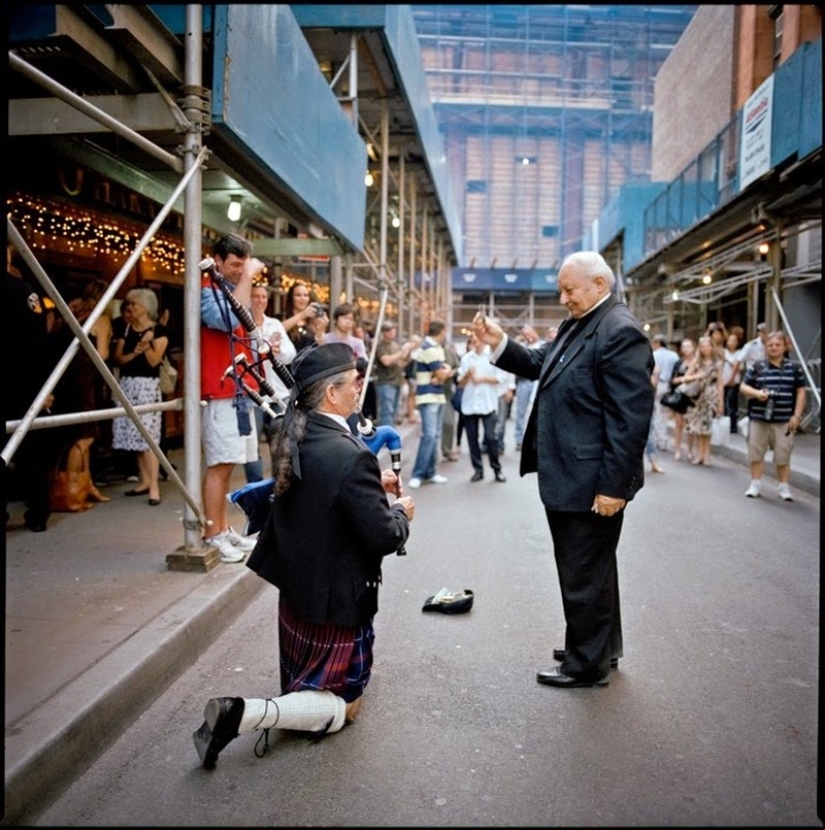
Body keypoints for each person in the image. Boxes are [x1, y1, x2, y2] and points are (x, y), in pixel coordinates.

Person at [192, 343, 415, 769]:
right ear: (332, 393)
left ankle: (288, 703)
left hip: (297, 595)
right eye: (352, 384)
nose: (358, 390)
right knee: (347, 705)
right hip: (335, 604)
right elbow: (385, 536)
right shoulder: (351, 455)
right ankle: (246, 713)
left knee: (308, 687)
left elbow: (321, 493)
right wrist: (400, 512)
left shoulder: (290, 430)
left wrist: (368, 486)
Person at [473, 251, 654, 688]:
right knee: (594, 569)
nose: (563, 297)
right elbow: (539, 362)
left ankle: (585, 665)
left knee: (582, 573)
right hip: (576, 476)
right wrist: (498, 341)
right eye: (562, 288)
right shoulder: (585, 321)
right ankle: (597, 645)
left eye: (569, 289)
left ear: (598, 283)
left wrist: (614, 487)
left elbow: (630, 423)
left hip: (591, 482)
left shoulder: (618, 331)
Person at [200, 233, 266, 562]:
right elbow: (227, 319)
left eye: (244, 265)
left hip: (238, 389)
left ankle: (222, 529)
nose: (241, 271)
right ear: (219, 261)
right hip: (220, 390)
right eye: (236, 264)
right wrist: (249, 277)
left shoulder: (223, 289)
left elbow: (244, 328)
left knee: (229, 463)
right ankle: (213, 533)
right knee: (220, 463)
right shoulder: (207, 291)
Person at [3, 242, 59, 532]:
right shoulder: (27, 292)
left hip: (14, 380)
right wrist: (44, 385)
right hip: (27, 380)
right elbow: (40, 343)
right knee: (32, 449)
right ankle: (38, 513)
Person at [51, 279, 113, 503]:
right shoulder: (101, 319)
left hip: (67, 381)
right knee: (85, 438)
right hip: (87, 382)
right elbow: (102, 354)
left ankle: (87, 485)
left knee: (78, 434)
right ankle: (71, 487)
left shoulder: (75, 315)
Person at [111, 287, 168, 506]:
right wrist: (134, 352)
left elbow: (154, 361)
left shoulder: (159, 331)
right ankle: (144, 480)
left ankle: (154, 485)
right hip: (128, 383)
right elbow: (118, 359)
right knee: (134, 433)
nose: (129, 308)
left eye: (133, 304)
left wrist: (145, 346)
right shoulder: (126, 328)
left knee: (148, 435)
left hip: (148, 385)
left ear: (144, 306)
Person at [739, 330, 807, 501]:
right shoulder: (757, 367)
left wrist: (797, 416)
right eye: (770, 345)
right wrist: (757, 393)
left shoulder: (794, 368)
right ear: (765, 347)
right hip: (759, 419)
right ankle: (755, 484)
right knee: (755, 453)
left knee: (783, 455)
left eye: (778, 345)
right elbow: (743, 387)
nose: (774, 348)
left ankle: (784, 487)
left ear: (784, 347)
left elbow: (801, 392)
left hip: (784, 420)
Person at [243, 279, 297, 483]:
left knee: (282, 443)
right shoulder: (241, 325)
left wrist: (276, 351)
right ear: (249, 299)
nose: (260, 300)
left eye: (264, 297)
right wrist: (261, 351)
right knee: (251, 444)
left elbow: (290, 354)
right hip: (253, 394)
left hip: (278, 392)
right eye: (256, 296)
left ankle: (280, 483)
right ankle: (255, 486)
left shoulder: (274, 324)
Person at [408, 319, 453, 489]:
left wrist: (442, 372)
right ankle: (418, 473)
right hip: (428, 396)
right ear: (441, 331)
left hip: (436, 396)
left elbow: (443, 370)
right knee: (429, 436)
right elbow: (442, 374)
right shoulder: (429, 348)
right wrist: (442, 373)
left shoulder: (434, 348)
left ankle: (430, 472)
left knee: (434, 436)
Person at [456, 332, 506, 482]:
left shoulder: (492, 356)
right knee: (472, 439)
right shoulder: (466, 358)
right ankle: (478, 469)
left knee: (491, 438)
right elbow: (460, 383)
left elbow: (501, 378)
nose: (475, 342)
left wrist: (482, 379)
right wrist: (467, 375)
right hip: (470, 404)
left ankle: (497, 469)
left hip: (488, 403)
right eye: (472, 340)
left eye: (477, 340)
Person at [683, 335, 723, 466]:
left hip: (711, 397)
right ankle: (700, 454)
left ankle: (707, 455)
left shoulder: (718, 363)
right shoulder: (696, 362)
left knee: (708, 426)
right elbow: (686, 378)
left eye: (707, 346)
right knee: (699, 427)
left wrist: (720, 402)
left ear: (712, 347)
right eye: (703, 346)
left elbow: (720, 384)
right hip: (698, 397)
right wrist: (697, 375)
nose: (705, 349)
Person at [374, 321, 416, 427]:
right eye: (389, 330)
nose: (392, 332)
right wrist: (401, 352)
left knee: (394, 411)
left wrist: (408, 352)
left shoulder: (394, 345)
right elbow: (386, 361)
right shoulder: (381, 346)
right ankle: (386, 437)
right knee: (386, 411)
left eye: (393, 329)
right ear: (384, 332)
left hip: (397, 381)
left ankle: (391, 435)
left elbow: (401, 362)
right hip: (385, 382)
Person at [512, 324, 545, 451]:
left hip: (538, 382)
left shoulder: (543, 346)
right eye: (525, 335)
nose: (528, 336)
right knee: (520, 412)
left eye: (529, 333)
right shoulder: (523, 347)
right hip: (524, 382)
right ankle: (519, 440)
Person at [281, 281, 328, 353]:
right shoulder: (283, 317)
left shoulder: (313, 321)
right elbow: (278, 329)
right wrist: (302, 314)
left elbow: (321, 346)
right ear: (291, 298)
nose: (302, 298)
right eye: (298, 295)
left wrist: (321, 329)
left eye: (305, 295)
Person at [650, 333, 679, 451]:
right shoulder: (674, 355)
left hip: (657, 385)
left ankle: (659, 440)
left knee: (656, 414)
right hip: (668, 386)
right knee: (663, 415)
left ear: (657, 343)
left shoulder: (654, 354)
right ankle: (661, 440)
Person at [669, 338, 697, 462]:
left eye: (688, 346)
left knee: (690, 426)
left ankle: (690, 451)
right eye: (684, 346)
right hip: (680, 396)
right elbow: (673, 380)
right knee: (678, 424)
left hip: (693, 397)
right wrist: (683, 380)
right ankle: (678, 449)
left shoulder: (697, 363)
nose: (686, 349)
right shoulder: (678, 363)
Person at [439, 335, 461, 461]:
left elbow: (458, 367)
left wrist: (451, 372)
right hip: (431, 392)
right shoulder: (428, 350)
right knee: (432, 431)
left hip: (446, 393)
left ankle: (447, 450)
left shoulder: (449, 351)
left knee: (449, 422)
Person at [721, 331, 743, 433]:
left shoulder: (740, 353)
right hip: (723, 381)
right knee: (723, 403)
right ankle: (724, 424)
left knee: (731, 404)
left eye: (734, 340)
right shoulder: (723, 352)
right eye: (730, 340)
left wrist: (729, 362)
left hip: (734, 382)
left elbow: (741, 367)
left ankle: (733, 426)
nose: (732, 342)